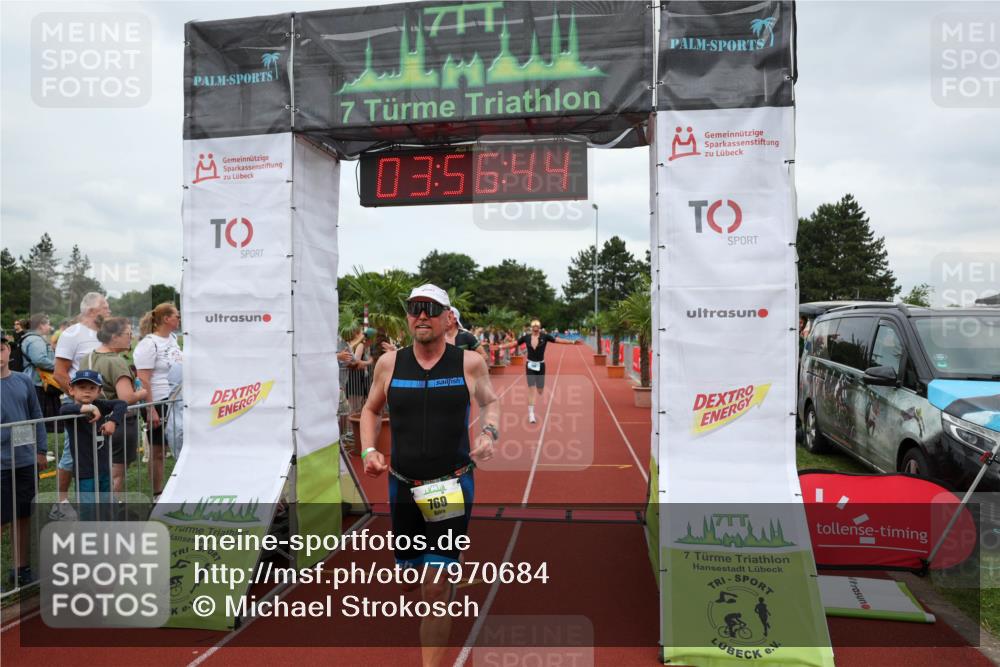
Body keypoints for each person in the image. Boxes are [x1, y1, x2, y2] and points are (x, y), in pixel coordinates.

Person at [361, 284, 499, 667]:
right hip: (402, 486)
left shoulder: (468, 362)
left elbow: (489, 402)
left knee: (434, 586)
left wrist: (489, 434)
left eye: (431, 309)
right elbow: (371, 410)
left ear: (446, 316)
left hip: (449, 486)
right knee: (409, 578)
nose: (421, 315)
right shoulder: (389, 365)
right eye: (414, 308)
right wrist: (370, 449)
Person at [51, 292, 110, 520]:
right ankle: (61, 502)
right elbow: (59, 373)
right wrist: (79, 400)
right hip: (78, 406)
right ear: (91, 310)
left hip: (100, 405)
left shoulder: (102, 335)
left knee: (98, 450)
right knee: (70, 454)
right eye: (106, 307)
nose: (109, 311)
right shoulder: (71, 334)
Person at [79, 317, 150, 494]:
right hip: (118, 424)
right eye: (127, 334)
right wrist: (142, 393)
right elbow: (125, 398)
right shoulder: (116, 362)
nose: (130, 337)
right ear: (114, 336)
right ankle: (109, 514)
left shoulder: (87, 358)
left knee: (99, 472)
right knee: (116, 475)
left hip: (93, 422)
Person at [1, 330, 48, 587]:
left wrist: (41, 449)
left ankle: (21, 568)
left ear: (9, 351)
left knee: (23, 515)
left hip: (24, 460)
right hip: (1, 464)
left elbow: (36, 413)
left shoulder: (23, 381)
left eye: (1, 349)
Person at [59, 370, 126, 519]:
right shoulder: (70, 411)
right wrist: (89, 408)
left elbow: (121, 403)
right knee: (88, 510)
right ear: (71, 390)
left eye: (92, 388)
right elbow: (63, 410)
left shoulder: (100, 405)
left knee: (106, 507)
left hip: (103, 469)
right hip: (85, 471)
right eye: (82, 387)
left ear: (99, 391)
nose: (87, 392)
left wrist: (113, 421)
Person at [134, 303, 182, 500]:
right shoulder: (149, 343)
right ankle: (157, 494)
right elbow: (143, 379)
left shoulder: (173, 338)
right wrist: (151, 409)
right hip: (159, 400)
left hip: (177, 399)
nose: (179, 319)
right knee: (158, 451)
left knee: (179, 446)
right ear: (166, 319)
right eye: (176, 316)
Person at [495, 319, 578, 423]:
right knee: (531, 388)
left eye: (537, 327)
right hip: (530, 365)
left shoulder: (545, 336)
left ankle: (539, 390)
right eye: (533, 328)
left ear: (539, 328)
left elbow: (558, 340)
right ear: (531, 328)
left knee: (540, 390)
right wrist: (500, 346)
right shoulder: (526, 337)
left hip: (541, 365)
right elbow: (514, 344)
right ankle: (531, 414)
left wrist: (572, 341)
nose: (535, 329)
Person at [19, 314, 61, 428]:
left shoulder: (33, 338)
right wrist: (57, 367)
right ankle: (37, 443)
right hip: (37, 382)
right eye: (48, 324)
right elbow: (40, 360)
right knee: (37, 418)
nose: (50, 327)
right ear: (41, 325)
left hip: (37, 381)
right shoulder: (35, 340)